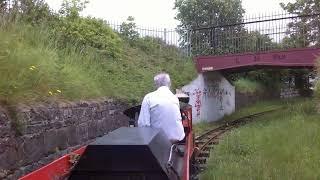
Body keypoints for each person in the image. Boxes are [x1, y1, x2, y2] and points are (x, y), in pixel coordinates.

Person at [138, 73, 185, 143]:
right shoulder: (174, 98)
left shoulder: (148, 97)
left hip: (158, 141)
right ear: (169, 84)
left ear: (156, 84)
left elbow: (143, 124)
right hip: (177, 138)